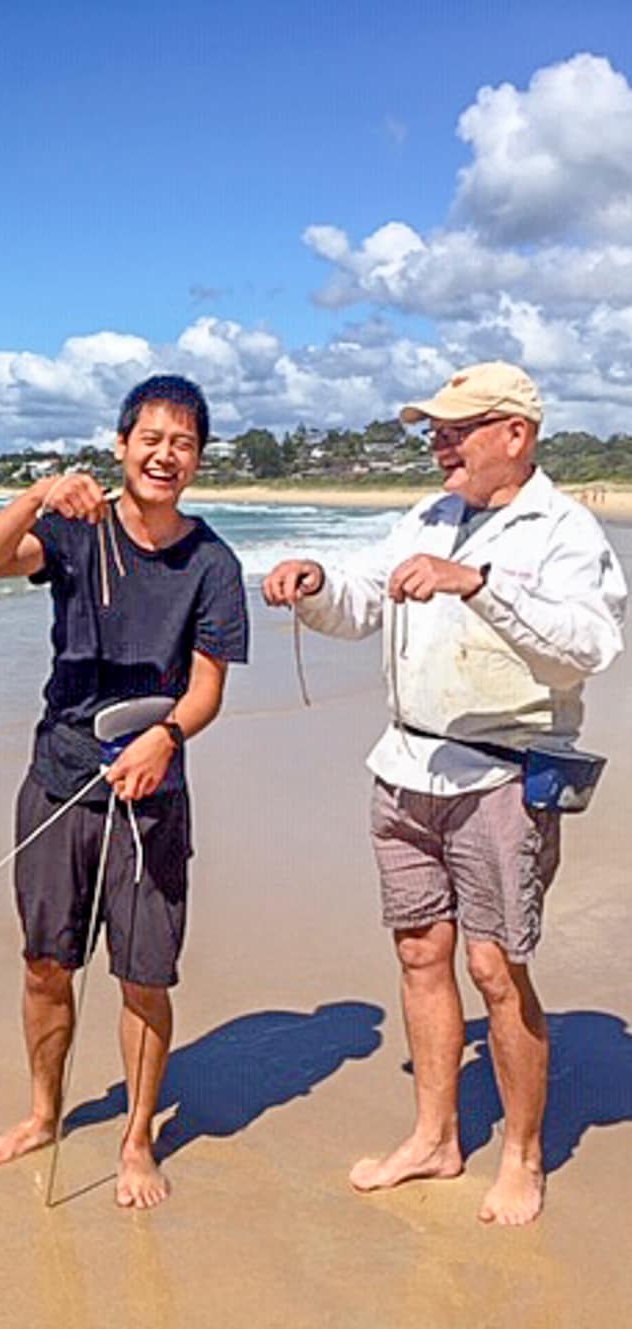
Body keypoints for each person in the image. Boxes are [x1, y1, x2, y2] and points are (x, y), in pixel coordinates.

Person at [263, 361, 626, 1226]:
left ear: (516, 435)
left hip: (504, 773)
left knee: (496, 967)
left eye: (458, 427)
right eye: (435, 427)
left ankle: (524, 1156)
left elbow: (590, 645)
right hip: (405, 768)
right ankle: (433, 1137)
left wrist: (481, 585)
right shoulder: (428, 515)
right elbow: (364, 601)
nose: (440, 442)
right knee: (421, 954)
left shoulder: (564, 530)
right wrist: (315, 585)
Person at [0, 375, 248, 1207]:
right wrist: (39, 493)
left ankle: (136, 1139)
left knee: (143, 974)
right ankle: (43, 1113)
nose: (166, 454)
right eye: (151, 438)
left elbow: (206, 691)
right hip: (58, 778)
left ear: (197, 459)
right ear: (122, 445)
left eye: (184, 442)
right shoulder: (75, 532)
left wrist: (165, 738)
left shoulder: (214, 564)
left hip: (152, 792)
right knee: (47, 963)